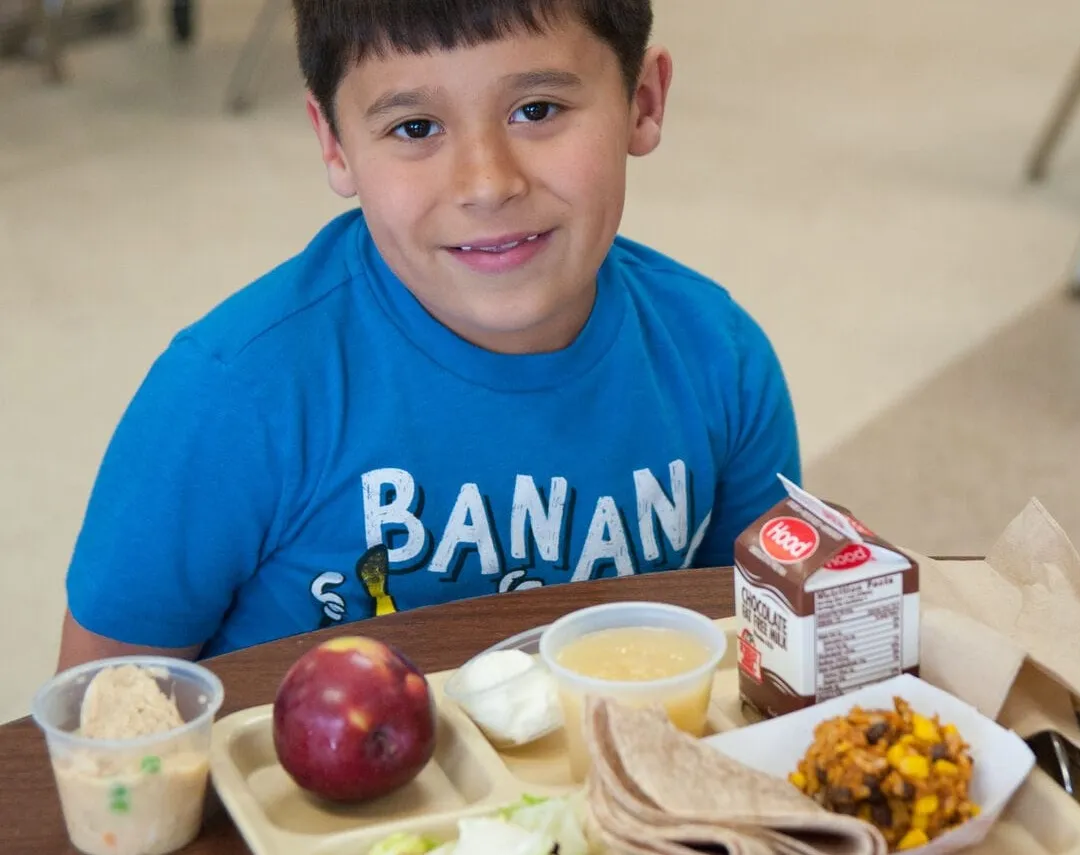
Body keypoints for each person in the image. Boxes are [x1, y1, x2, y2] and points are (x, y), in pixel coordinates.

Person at [57, 0, 801, 670]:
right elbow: (104, 730)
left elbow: (761, 660)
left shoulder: (721, 362)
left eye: (537, 110)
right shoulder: (234, 397)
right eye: (415, 128)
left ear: (642, 101)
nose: (486, 183)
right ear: (336, 144)